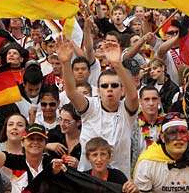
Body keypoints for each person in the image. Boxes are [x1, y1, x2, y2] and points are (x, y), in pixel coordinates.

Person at [58, 37, 138, 177]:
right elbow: (71, 92)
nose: (109, 89)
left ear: (122, 90)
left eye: (114, 85)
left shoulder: (127, 111)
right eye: (104, 86)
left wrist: (117, 64)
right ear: (98, 90)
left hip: (117, 181)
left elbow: (133, 97)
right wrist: (65, 63)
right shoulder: (90, 107)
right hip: (88, 179)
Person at [133, 112, 189, 193]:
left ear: (188, 135)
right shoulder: (147, 163)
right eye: (172, 132)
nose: (179, 138)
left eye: (183, 132)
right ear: (162, 137)